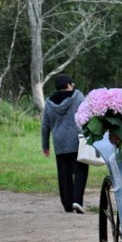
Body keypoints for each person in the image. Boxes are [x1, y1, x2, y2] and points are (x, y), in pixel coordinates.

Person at [41, 74, 89, 213]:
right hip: (77, 140)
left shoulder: (50, 101)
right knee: (80, 170)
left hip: (60, 143)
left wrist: (45, 146)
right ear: (69, 85)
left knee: (64, 175)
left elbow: (45, 125)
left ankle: (67, 205)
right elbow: (87, 114)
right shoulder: (78, 96)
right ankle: (77, 201)